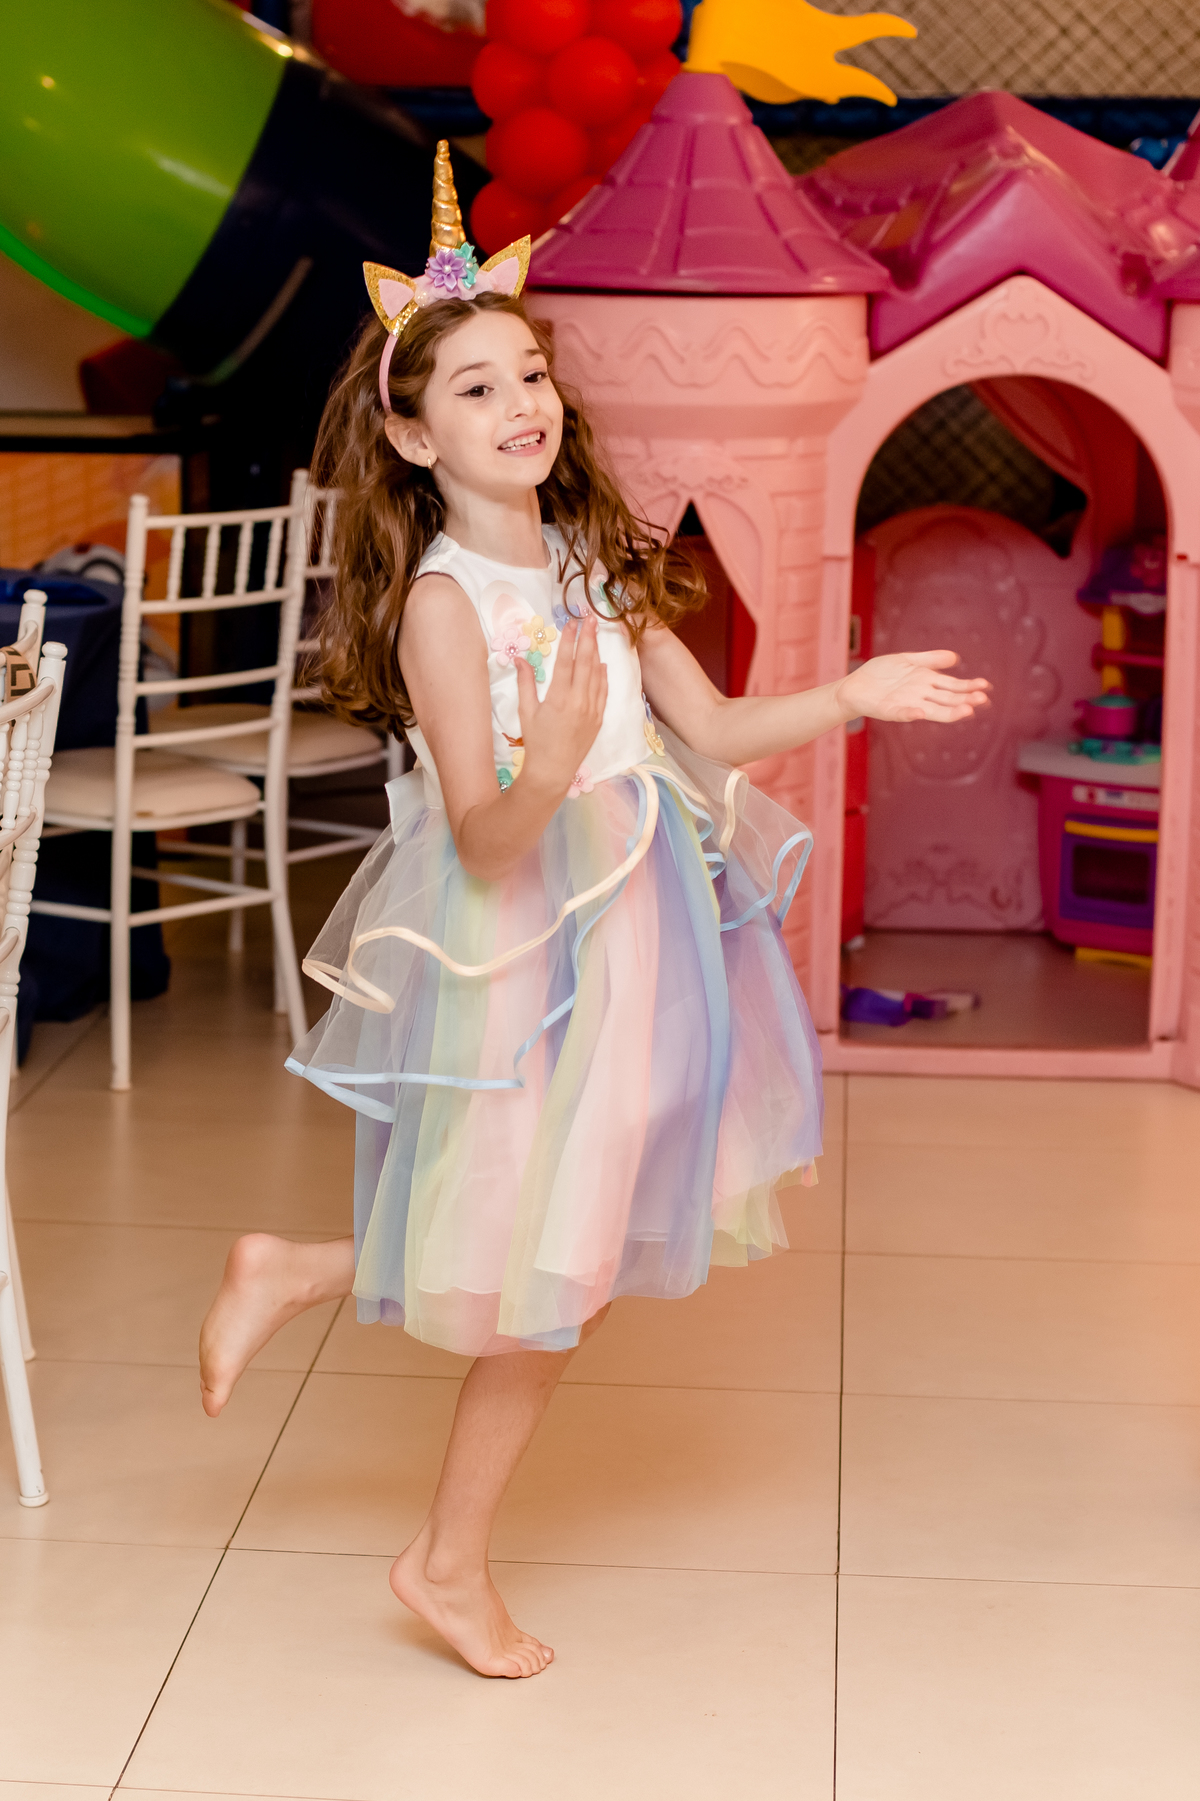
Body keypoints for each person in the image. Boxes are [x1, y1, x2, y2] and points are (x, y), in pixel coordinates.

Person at [198, 146, 989, 1681]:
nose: (522, 404)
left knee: (567, 1238)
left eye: (532, 373)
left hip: (643, 923)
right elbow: (485, 840)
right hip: (531, 945)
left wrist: (856, 691)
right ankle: (440, 1552)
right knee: (548, 1256)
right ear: (411, 432)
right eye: (477, 387)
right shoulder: (443, 606)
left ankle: (303, 1283)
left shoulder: (592, 556)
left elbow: (715, 729)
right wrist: (549, 764)